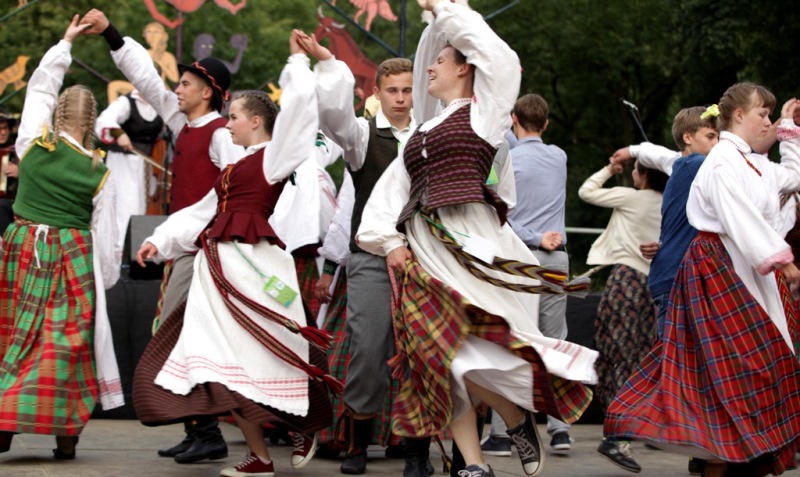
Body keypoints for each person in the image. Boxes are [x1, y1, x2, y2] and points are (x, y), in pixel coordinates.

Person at [355, 2, 598, 477]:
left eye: (439, 61)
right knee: (437, 356)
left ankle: (513, 416)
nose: (429, 68)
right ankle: (475, 463)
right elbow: (392, 192)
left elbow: (500, 59)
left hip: (469, 246)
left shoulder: (486, 117)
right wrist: (390, 242)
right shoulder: (420, 132)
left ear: (464, 68)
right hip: (425, 253)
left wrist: (446, 8)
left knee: (470, 348)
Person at [128, 29, 338, 476]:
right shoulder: (233, 169)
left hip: (253, 266)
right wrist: (161, 240)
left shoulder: (273, 158)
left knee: (268, 352)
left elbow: (300, 111)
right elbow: (202, 211)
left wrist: (298, 62)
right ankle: (259, 456)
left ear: (257, 122)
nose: (227, 124)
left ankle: (300, 424)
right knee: (223, 365)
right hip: (218, 269)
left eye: (235, 117)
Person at [605, 84, 800, 477]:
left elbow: (791, 179)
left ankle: (738, 454)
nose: (768, 121)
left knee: (750, 373)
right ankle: (701, 449)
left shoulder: (751, 163)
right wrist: (781, 260)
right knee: (723, 377)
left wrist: (790, 134)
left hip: (746, 271)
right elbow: (736, 214)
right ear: (739, 115)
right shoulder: (718, 161)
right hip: (718, 272)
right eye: (763, 113)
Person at [81, 7, 245, 464]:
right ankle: (200, 429)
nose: (177, 88)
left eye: (186, 83)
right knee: (178, 336)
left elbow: (229, 195)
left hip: (206, 251)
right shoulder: (183, 124)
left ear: (208, 92)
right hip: (184, 248)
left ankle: (208, 430)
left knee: (182, 335)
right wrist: (111, 34)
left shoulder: (221, 135)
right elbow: (146, 78)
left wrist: (185, 238)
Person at [299, 32, 433, 476]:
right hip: (372, 259)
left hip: (423, 260)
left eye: (407, 89)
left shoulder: (429, 136)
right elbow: (335, 115)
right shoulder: (361, 136)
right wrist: (327, 62)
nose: (400, 98)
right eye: (392, 90)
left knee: (421, 354)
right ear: (377, 92)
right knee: (368, 351)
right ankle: (356, 443)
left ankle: (417, 451)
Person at [0, 16, 123, 458]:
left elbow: (39, 88)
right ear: (92, 119)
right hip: (73, 257)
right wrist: (103, 280)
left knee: (16, 335)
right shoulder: (100, 171)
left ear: (58, 113)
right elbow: (107, 240)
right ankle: (66, 435)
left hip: (23, 247)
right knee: (64, 342)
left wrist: (66, 43)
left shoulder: (31, 143)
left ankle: (5, 424)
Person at [490, 93, 571, 455]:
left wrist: (535, 237)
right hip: (556, 261)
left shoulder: (504, 159)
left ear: (514, 121)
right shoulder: (559, 157)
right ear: (547, 123)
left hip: (519, 259)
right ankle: (560, 427)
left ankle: (502, 433)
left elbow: (496, 208)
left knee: (514, 341)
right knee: (555, 341)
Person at [578, 145, 668, 473]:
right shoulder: (670, 202)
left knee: (616, 358)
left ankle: (618, 436)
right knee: (640, 358)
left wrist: (609, 170)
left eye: (635, 169)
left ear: (643, 175)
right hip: (653, 287)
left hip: (625, 282)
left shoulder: (631, 197)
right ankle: (633, 428)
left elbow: (586, 192)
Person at [95, 90, 164, 255]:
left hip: (149, 165)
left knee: (145, 207)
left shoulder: (159, 104)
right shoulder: (126, 102)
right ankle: (120, 254)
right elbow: (103, 121)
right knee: (126, 205)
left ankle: (141, 251)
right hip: (124, 164)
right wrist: (119, 134)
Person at [0, 107, 19, 236]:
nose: (3, 132)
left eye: (5, 128)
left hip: (10, 202)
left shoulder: (17, 150)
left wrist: (20, 173)